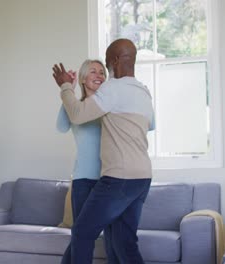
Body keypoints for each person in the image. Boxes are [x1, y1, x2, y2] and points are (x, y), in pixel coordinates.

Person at [52, 38, 155, 264]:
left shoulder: (112, 89)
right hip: (142, 177)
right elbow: (151, 124)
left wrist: (64, 86)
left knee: (82, 232)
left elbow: (78, 114)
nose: (103, 72)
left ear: (115, 60)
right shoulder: (144, 91)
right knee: (123, 240)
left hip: (119, 177)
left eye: (106, 65)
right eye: (94, 71)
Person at [56, 59, 107, 264]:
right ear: (84, 78)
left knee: (86, 234)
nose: (99, 75)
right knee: (81, 234)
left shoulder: (109, 107)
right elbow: (61, 127)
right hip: (83, 181)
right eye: (93, 71)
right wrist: (69, 91)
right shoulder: (76, 107)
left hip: (108, 179)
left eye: (102, 72)